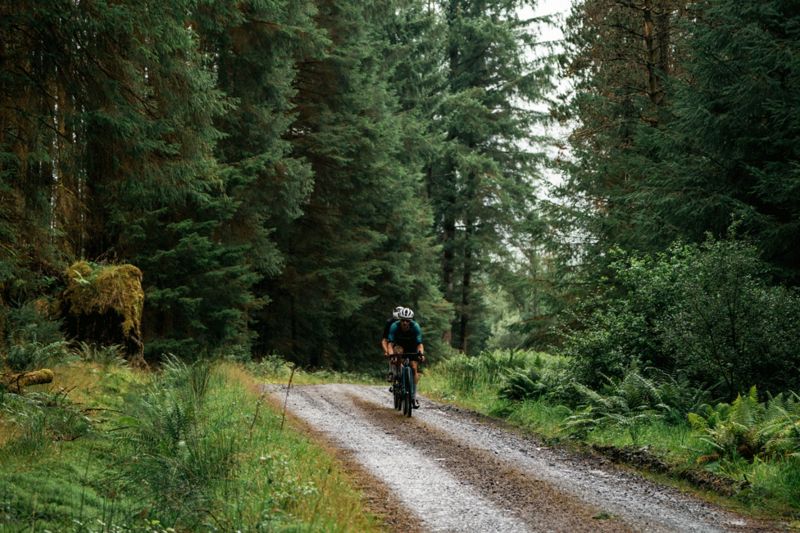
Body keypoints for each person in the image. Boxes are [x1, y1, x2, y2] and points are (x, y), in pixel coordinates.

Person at [387, 307, 426, 408]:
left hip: (412, 347)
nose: (405, 323)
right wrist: (391, 355)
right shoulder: (394, 326)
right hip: (400, 346)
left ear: (410, 321)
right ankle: (397, 376)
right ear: (400, 320)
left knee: (413, 367)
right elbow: (390, 344)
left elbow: (419, 344)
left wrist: (421, 354)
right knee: (398, 354)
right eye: (403, 320)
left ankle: (413, 397)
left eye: (407, 321)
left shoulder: (415, 327)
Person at [382, 306, 404, 389]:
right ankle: (391, 371)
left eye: (400, 321)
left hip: (404, 341)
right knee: (392, 354)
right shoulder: (390, 323)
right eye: (396, 321)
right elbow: (385, 340)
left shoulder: (408, 322)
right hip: (393, 341)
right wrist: (386, 351)